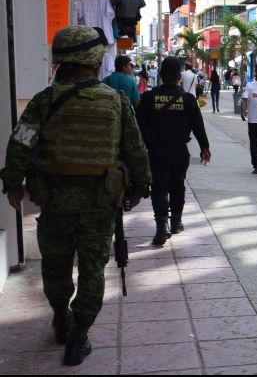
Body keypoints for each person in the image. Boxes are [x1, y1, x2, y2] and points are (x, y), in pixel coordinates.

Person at [0, 26, 151, 366]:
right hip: (100, 203)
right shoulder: (116, 101)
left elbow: (20, 142)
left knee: (55, 268)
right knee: (93, 270)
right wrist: (140, 187)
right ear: (96, 61)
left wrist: (13, 184)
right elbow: (136, 150)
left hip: (54, 201)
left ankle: (61, 318)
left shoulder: (43, 100)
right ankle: (78, 336)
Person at [136, 57, 212, 245]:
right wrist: (205, 148)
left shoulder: (148, 98)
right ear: (179, 77)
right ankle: (176, 222)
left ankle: (162, 226)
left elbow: (138, 128)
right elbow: (198, 126)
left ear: (161, 75)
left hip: (156, 151)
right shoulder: (187, 99)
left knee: (159, 188)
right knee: (177, 186)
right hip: (179, 151)